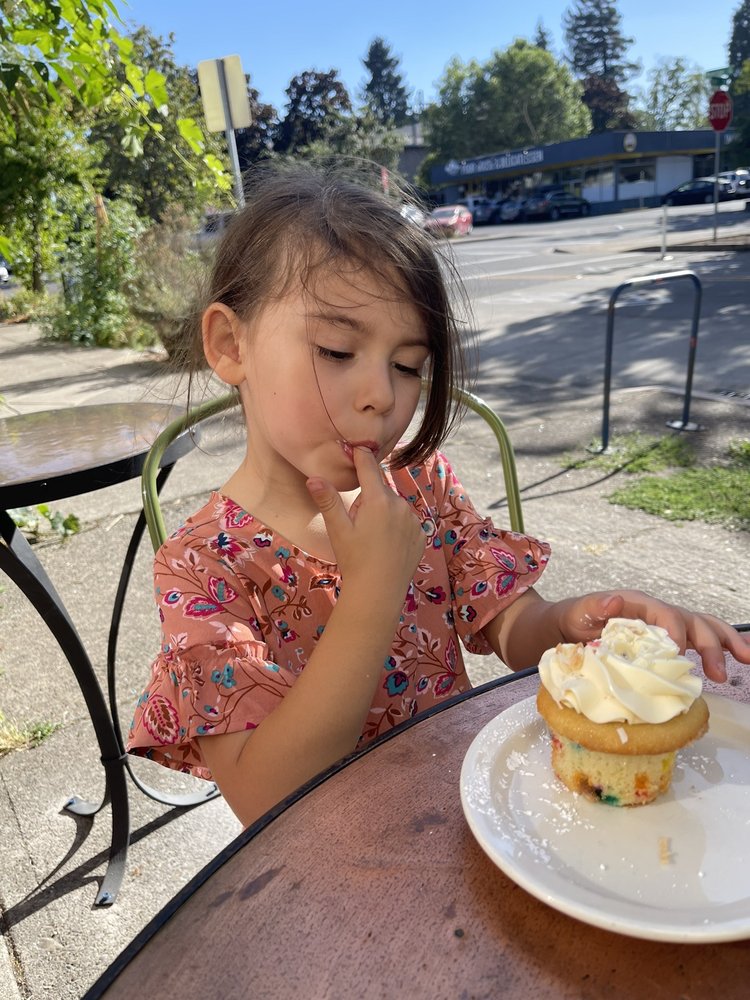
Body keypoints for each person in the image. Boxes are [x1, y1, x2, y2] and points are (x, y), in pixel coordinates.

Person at [127, 162, 750, 828]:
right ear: (231, 345)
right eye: (336, 350)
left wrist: (577, 627)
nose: (382, 395)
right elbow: (266, 800)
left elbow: (511, 626)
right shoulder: (202, 566)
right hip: (335, 860)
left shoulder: (418, 483)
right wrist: (373, 590)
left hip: (466, 816)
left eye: (407, 366)